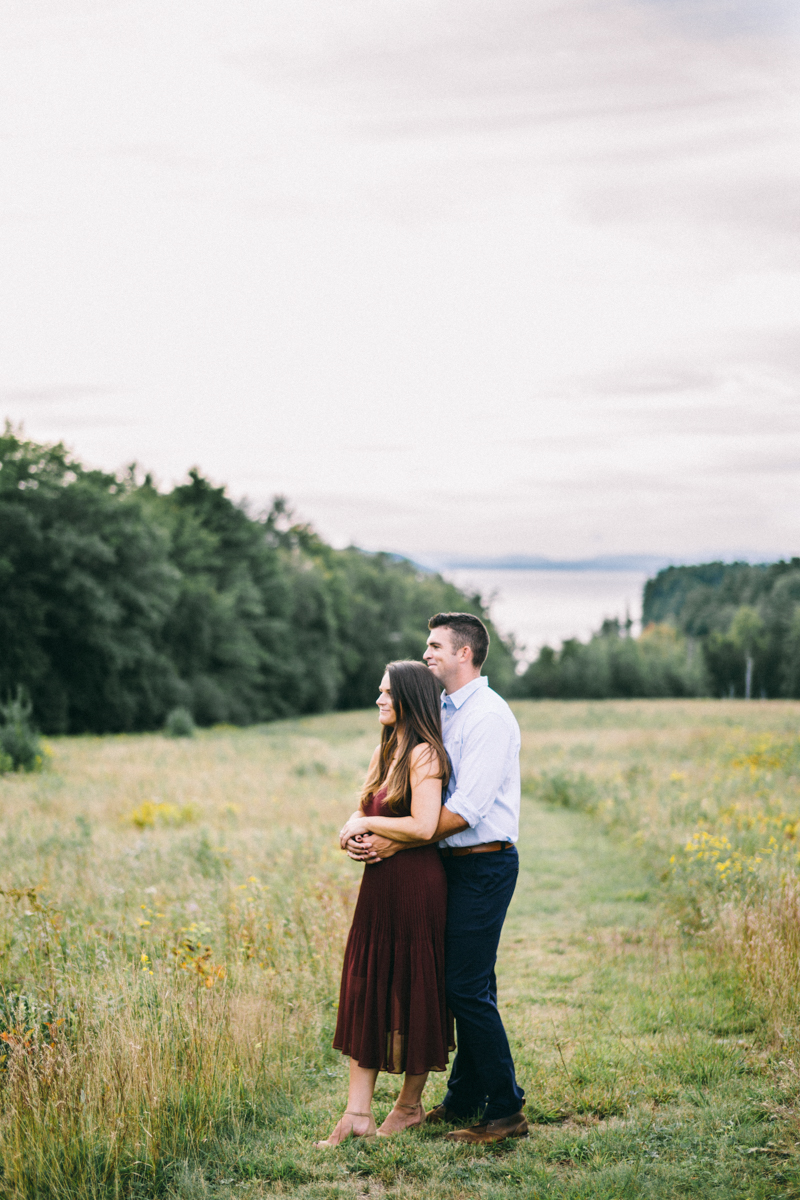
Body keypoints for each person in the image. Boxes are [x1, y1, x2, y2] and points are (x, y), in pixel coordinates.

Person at [346, 612, 526, 1145]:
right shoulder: (444, 711)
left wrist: (393, 836)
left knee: (465, 988)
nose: (427, 654)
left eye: (435, 646)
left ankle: (506, 1109)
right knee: (465, 984)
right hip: (449, 864)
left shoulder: (489, 717)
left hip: (484, 861)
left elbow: (467, 809)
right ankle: (466, 1097)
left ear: (464, 654)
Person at [315, 659, 454, 1148]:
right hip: (378, 889)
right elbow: (364, 807)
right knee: (367, 985)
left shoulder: (424, 755)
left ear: (410, 698)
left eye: (387, 693)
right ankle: (357, 1114)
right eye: (378, 692)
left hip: (417, 888)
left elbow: (422, 824)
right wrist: (347, 831)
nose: (378, 699)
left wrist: (368, 827)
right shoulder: (389, 750)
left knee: (415, 986)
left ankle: (410, 1106)